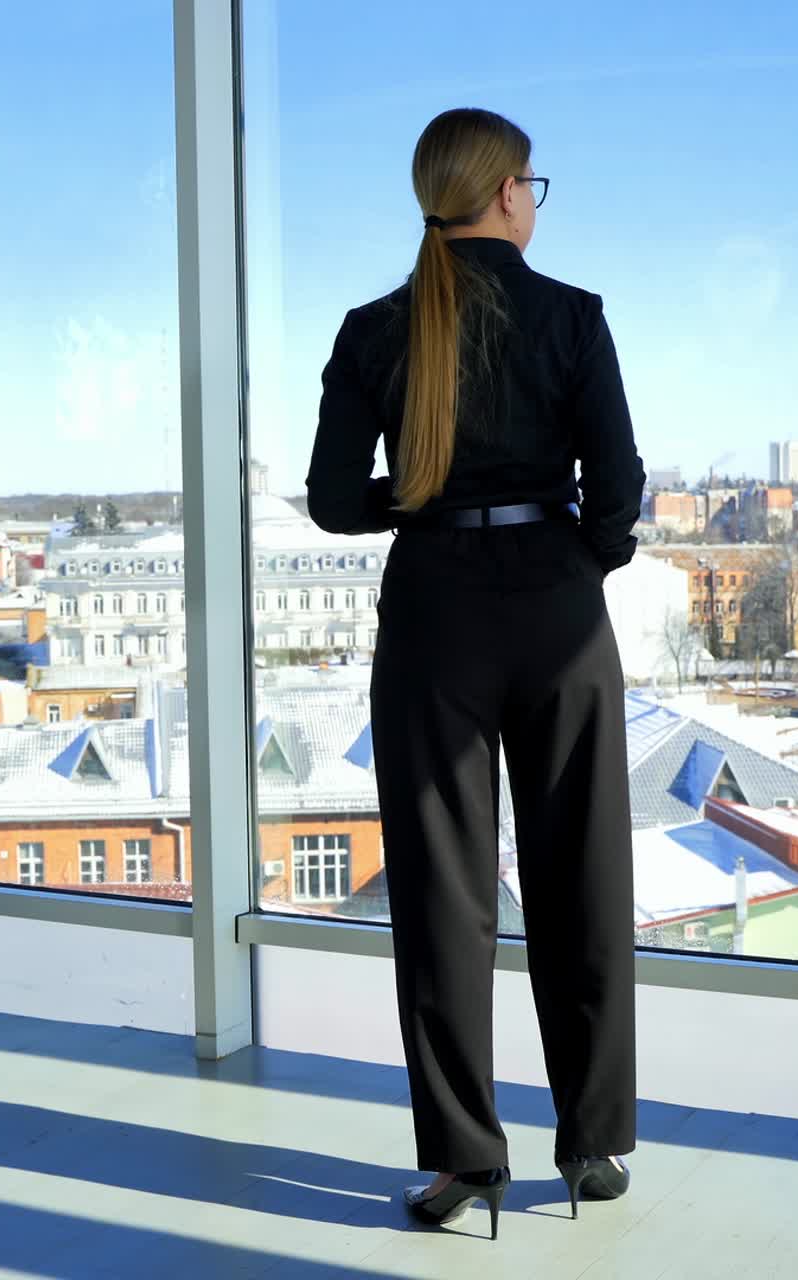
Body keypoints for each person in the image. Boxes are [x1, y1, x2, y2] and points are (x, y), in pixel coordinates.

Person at [305, 106, 645, 1240]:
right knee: (579, 876)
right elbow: (618, 488)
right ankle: (590, 1142)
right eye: (531, 186)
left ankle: (462, 1160)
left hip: (433, 609)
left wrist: (434, 504)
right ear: (505, 193)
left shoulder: (372, 328)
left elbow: (335, 497)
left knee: (443, 890)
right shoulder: (573, 316)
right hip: (555, 608)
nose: (532, 203)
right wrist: (561, 555)